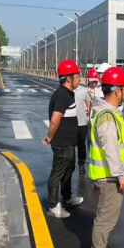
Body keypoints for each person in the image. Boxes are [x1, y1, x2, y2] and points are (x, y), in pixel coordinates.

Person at [88, 67, 124, 248]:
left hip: (109, 175)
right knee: (106, 217)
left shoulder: (109, 113)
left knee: (107, 215)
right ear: (117, 91)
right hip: (109, 177)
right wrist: (121, 175)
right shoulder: (107, 116)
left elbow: (115, 143)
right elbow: (110, 150)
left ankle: (103, 247)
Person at [42, 60, 84, 218]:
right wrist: (49, 137)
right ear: (68, 78)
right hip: (62, 143)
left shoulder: (68, 93)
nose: (79, 79)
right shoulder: (62, 95)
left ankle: (67, 198)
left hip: (69, 143)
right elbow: (55, 120)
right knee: (58, 173)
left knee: (68, 171)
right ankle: (53, 206)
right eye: (77, 76)